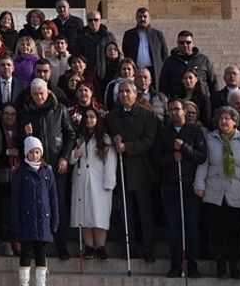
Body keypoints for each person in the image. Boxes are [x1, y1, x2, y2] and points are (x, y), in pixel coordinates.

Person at [17, 78, 76, 261]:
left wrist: (65, 157)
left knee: (58, 205)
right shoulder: (26, 111)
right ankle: (39, 246)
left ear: (47, 92)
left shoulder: (60, 110)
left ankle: (61, 245)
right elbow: (21, 143)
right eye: (35, 94)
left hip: (56, 166)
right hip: (35, 168)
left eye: (41, 93)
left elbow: (70, 134)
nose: (39, 97)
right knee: (36, 207)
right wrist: (25, 134)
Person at [195, 106, 240, 279]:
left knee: (233, 230)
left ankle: (234, 265)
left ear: (235, 122)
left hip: (235, 191)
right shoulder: (210, 139)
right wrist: (199, 184)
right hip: (214, 191)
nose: (224, 121)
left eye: (228, 118)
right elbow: (203, 164)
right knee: (216, 229)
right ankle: (220, 264)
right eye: (221, 118)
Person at [154, 98, 208, 277]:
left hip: (189, 185)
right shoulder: (163, 132)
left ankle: (192, 264)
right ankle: (176, 264)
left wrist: (184, 148)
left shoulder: (195, 131)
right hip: (170, 185)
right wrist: (171, 158)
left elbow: (201, 157)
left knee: (191, 226)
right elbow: (156, 158)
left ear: (184, 111)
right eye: (170, 110)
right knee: (174, 226)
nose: (174, 113)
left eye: (177, 109)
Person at [106, 79, 159, 262]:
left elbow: (148, 141)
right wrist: (114, 140)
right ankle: (129, 247)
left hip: (141, 169)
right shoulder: (112, 116)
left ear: (136, 94)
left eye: (128, 91)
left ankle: (148, 249)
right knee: (126, 213)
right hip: (121, 171)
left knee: (145, 212)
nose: (125, 95)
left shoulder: (147, 115)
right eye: (121, 92)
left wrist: (126, 147)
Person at [11, 135, 58, 286]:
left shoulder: (47, 172)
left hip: (43, 219)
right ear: (26, 153)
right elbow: (15, 200)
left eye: (37, 152)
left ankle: (40, 282)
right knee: (26, 252)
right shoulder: (21, 172)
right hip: (27, 220)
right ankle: (24, 282)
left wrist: (54, 221)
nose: (34, 155)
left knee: (41, 253)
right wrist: (16, 225)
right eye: (31, 152)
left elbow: (53, 198)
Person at [69, 107, 115, 260]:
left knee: (99, 214)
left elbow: (110, 162)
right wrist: (74, 155)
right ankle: (89, 246)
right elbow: (71, 160)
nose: (89, 120)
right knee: (84, 214)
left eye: (92, 117)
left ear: (97, 119)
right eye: (86, 117)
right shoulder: (79, 138)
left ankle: (100, 246)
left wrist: (109, 182)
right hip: (81, 178)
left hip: (99, 181)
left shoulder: (105, 139)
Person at [158, 31, 218, 100]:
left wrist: (215, 101)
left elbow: (213, 82)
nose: (185, 45)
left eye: (188, 42)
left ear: (193, 43)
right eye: (181, 43)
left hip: (201, 102)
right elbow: (163, 85)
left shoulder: (203, 60)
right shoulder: (169, 62)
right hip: (178, 102)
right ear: (177, 44)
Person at [120, 7, 167, 79]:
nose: (142, 19)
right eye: (140, 16)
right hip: (136, 70)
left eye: (145, 16)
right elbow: (125, 51)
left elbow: (164, 54)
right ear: (136, 18)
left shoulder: (157, 34)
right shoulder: (129, 34)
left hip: (154, 71)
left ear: (149, 18)